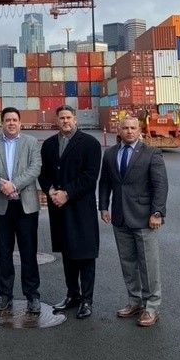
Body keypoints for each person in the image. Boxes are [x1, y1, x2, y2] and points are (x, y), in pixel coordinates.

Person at [98, 116, 168, 327]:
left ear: (139, 130)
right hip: (120, 218)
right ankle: (135, 301)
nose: (129, 131)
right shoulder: (110, 154)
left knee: (149, 265)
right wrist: (103, 206)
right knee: (128, 263)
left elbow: (160, 186)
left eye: (133, 128)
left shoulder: (151, 153)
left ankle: (152, 307)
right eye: (125, 128)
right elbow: (105, 183)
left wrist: (157, 213)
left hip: (145, 218)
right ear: (119, 129)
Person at [39, 105, 101, 319]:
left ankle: (87, 300)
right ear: (57, 121)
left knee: (85, 255)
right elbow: (43, 174)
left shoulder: (90, 144)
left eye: (68, 117)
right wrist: (51, 190)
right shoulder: (48, 145)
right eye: (62, 118)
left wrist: (67, 193)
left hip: (81, 207)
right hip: (59, 208)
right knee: (67, 254)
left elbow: (90, 176)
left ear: (75, 119)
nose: (65, 121)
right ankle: (72, 294)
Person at [0, 107, 41, 314]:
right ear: (2, 123)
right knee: (4, 253)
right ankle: (5, 295)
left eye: (15, 120)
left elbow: (35, 168)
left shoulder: (31, 143)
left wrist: (13, 185)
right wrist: (1, 185)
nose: (11, 123)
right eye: (7, 120)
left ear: (20, 123)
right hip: (1, 206)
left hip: (26, 206)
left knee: (29, 252)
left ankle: (32, 295)